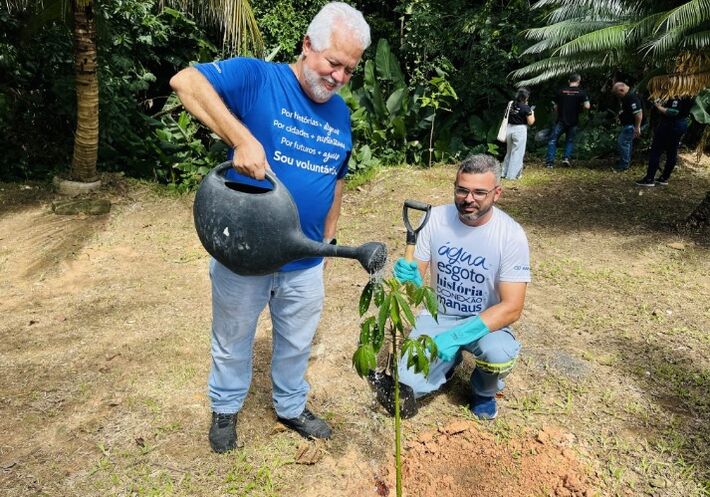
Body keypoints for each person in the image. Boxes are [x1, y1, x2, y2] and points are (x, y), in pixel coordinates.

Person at [169, 2, 371, 453]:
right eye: (332, 63)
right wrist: (241, 139)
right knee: (233, 336)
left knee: (297, 341)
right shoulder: (260, 78)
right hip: (246, 252)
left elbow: (335, 182)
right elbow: (186, 81)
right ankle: (224, 408)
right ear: (307, 46)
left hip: (304, 258)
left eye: (349, 71)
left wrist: (327, 246)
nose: (338, 77)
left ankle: (291, 405)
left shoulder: (340, 114)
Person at [390, 154, 531, 420]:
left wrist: (455, 337)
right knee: (406, 384)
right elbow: (414, 284)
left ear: (497, 193)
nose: (469, 199)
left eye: (479, 192)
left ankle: (483, 390)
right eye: (462, 190)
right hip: (437, 317)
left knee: (498, 354)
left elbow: (512, 308)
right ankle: (449, 363)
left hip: (485, 323)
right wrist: (411, 279)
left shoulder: (510, 235)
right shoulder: (434, 219)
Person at [635, 95, 694, 187]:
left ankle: (649, 179)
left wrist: (659, 107)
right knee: (672, 151)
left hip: (670, 125)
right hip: (681, 124)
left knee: (656, 151)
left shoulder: (678, 96)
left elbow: (673, 112)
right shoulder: (690, 95)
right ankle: (664, 178)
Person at [545, 73, 590, 168]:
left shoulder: (561, 91)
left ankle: (550, 163)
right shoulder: (581, 92)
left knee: (553, 139)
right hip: (573, 121)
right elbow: (587, 106)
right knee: (569, 141)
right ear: (578, 81)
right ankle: (566, 158)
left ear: (569, 81)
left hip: (561, 120)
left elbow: (555, 107)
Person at [502, 88, 535, 180]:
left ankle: (504, 173)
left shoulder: (511, 104)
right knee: (518, 153)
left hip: (509, 128)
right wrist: (532, 112)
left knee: (509, 151)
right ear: (526, 97)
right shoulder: (526, 107)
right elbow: (531, 122)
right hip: (519, 130)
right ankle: (512, 175)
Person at [611, 82, 643, 172]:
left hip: (631, 125)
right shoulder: (629, 95)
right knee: (627, 143)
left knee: (623, 142)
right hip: (629, 124)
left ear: (622, 90)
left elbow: (638, 113)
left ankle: (624, 164)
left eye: (618, 94)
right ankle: (625, 162)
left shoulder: (631, 96)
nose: (619, 97)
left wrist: (637, 127)